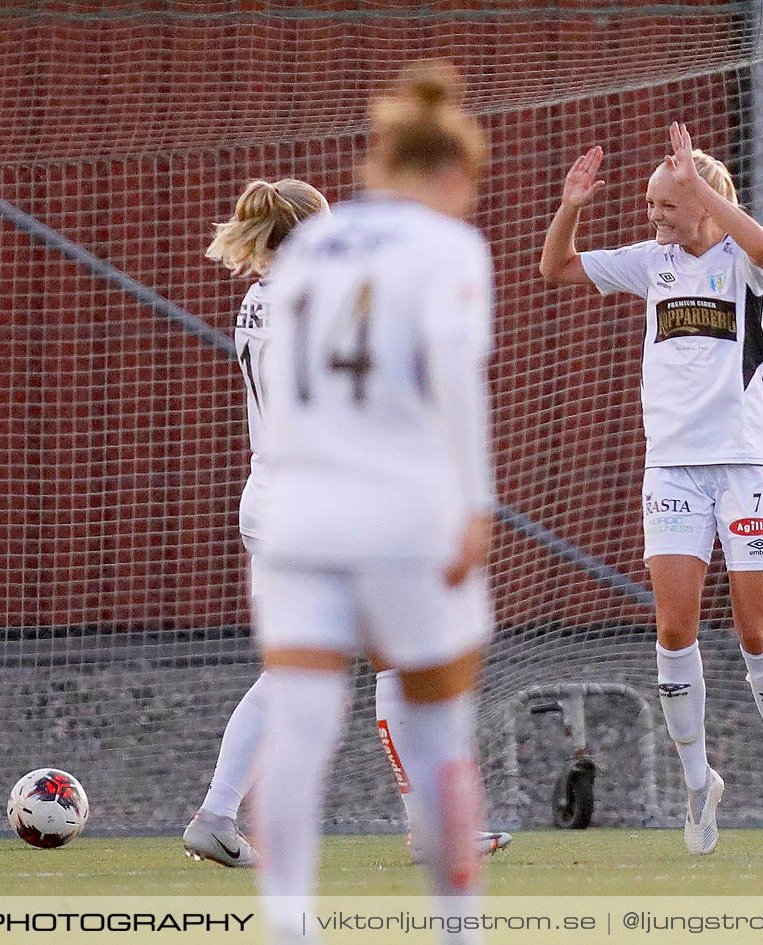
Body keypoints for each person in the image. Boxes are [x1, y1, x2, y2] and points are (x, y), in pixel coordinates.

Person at [184, 179, 510, 869]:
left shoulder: (259, 298)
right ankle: (429, 826)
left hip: (272, 494)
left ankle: (217, 811)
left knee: (301, 664)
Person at [252, 61, 494, 941]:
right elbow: (455, 379)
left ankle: (288, 924)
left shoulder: (314, 241)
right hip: (405, 511)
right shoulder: (448, 246)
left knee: (300, 727)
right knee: (438, 733)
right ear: (452, 175)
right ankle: (458, 927)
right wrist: (477, 503)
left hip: (302, 512)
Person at [538, 123, 763, 853]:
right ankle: (698, 783)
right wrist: (571, 205)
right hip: (674, 468)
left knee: (756, 631)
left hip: (749, 465)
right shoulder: (648, 264)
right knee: (674, 627)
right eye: (652, 203)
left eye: (668, 203)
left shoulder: (744, 262)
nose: (655, 215)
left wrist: (708, 194)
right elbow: (554, 268)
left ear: (704, 205)